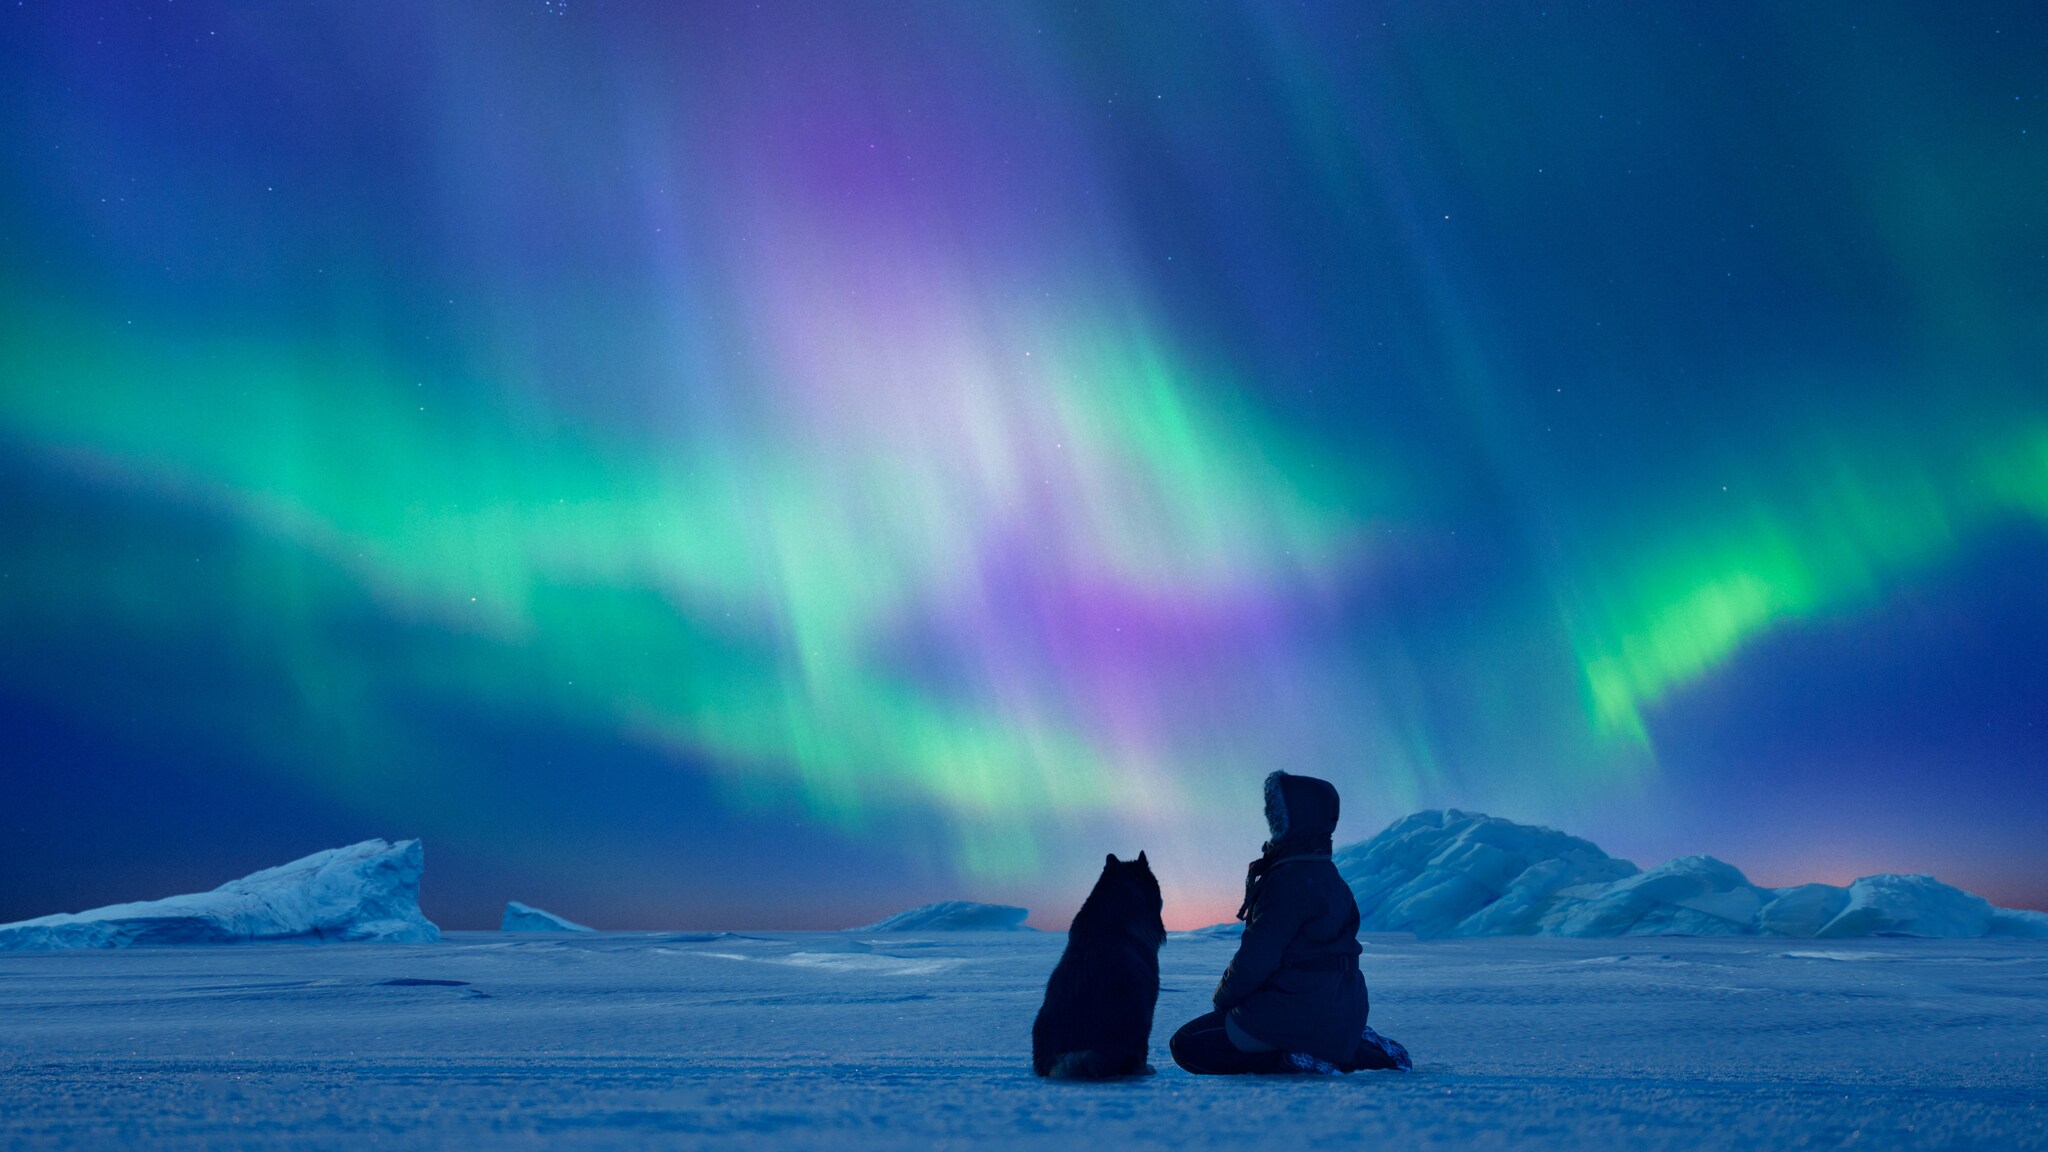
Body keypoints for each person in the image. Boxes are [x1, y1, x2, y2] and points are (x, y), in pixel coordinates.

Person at [1169, 770, 1410, 1075]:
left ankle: (1299, 1058)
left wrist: (1223, 1000)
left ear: (1291, 820)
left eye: (1275, 814)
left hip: (1298, 1007)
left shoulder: (1288, 881)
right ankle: (1351, 1046)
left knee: (1188, 1045)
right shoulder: (1330, 877)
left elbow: (1256, 959)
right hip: (1340, 1007)